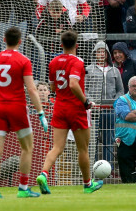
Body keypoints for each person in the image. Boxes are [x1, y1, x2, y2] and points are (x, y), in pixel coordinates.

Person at [36, 31, 103, 195]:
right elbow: (73, 84)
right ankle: (87, 184)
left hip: (59, 106)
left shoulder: (53, 62)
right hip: (75, 108)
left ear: (61, 45)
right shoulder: (77, 62)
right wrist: (85, 102)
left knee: (57, 147)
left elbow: (52, 87)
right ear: (77, 45)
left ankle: (43, 174)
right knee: (83, 149)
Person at [0, 27, 47, 199]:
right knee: (27, 148)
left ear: (4, 40)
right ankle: (23, 188)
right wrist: (41, 113)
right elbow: (31, 89)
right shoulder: (24, 60)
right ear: (20, 41)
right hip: (17, 107)